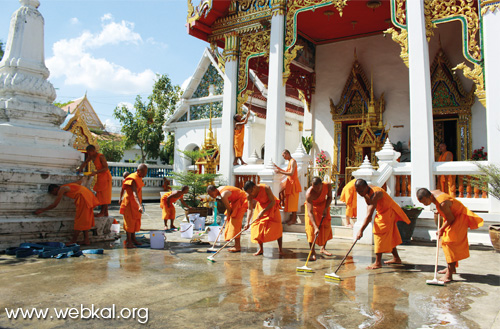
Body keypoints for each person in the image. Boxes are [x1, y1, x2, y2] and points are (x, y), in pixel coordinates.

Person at [417, 188, 483, 283]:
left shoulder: (442, 204)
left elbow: (451, 218)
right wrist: (439, 210)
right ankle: (451, 268)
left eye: (425, 202)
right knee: (446, 243)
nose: (425, 204)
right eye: (422, 203)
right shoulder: (433, 193)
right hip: (450, 215)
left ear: (430, 196)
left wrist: (441, 229)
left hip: (458, 217)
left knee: (449, 243)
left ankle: (449, 275)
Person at [355, 179, 411, 269]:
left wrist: (361, 230)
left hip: (388, 212)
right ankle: (396, 258)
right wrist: (365, 196)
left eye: (361, 191)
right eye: (357, 191)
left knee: (379, 233)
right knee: (390, 236)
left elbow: (369, 215)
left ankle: (377, 262)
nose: (359, 193)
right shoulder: (366, 193)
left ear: (366, 187)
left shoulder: (375, 193)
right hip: (382, 212)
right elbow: (369, 207)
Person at [34, 180, 99, 246]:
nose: (54, 195)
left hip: (84, 199)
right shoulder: (66, 186)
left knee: (79, 221)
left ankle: (73, 241)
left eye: (53, 193)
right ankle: (86, 240)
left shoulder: (62, 189)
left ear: (55, 189)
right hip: (87, 196)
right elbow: (79, 182)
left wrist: (43, 210)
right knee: (83, 221)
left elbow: (55, 204)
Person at [243, 181, 284, 256]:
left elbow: (273, 202)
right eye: (249, 193)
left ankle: (280, 249)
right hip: (260, 207)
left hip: (271, 206)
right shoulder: (248, 194)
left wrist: (263, 212)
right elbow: (249, 208)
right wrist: (247, 222)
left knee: (277, 227)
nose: (250, 194)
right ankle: (261, 249)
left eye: (251, 192)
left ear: (254, 187)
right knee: (257, 226)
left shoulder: (266, 188)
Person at [207, 185, 248, 252]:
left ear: (215, 190)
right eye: (209, 195)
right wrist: (228, 215)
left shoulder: (223, 195)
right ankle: (236, 244)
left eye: (211, 194)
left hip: (242, 201)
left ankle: (238, 246)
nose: (211, 196)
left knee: (235, 224)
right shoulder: (219, 190)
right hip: (235, 202)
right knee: (231, 222)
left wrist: (228, 215)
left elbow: (228, 209)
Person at [77, 145, 112, 217]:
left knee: (104, 195)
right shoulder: (91, 156)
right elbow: (85, 162)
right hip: (100, 177)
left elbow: (106, 168)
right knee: (100, 194)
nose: (88, 154)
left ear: (93, 151)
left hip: (105, 177)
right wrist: (80, 168)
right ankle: (105, 212)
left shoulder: (101, 156)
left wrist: (95, 172)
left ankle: (102, 212)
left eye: (89, 152)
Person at [304, 177, 333, 260]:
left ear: (321, 184)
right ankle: (312, 252)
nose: (316, 190)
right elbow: (310, 212)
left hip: (323, 206)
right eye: (314, 187)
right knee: (311, 230)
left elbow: (330, 197)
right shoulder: (309, 193)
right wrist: (316, 227)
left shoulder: (327, 186)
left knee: (326, 227)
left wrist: (326, 208)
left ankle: (323, 248)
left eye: (318, 187)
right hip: (312, 208)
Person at [120, 164, 148, 248]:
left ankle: (133, 239)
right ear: (138, 171)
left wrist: (138, 205)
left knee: (135, 221)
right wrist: (140, 206)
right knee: (129, 222)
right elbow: (134, 193)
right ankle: (129, 242)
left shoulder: (138, 178)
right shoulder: (132, 179)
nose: (145, 175)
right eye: (144, 173)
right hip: (129, 204)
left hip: (135, 204)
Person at [274, 149, 302, 225]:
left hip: (294, 184)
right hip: (290, 183)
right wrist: (277, 168)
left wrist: (279, 171)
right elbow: (286, 172)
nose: (283, 157)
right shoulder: (290, 161)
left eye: (283, 155)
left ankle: (293, 219)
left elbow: (291, 173)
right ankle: (292, 218)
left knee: (293, 202)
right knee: (290, 201)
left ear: (287, 154)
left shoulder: (293, 161)